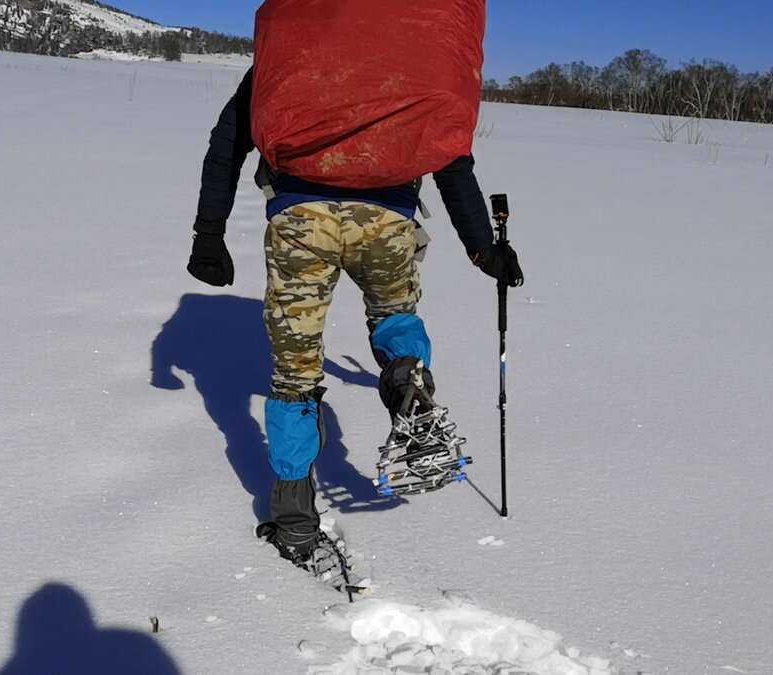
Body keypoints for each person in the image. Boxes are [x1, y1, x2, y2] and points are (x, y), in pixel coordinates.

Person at [186, 67, 524, 563]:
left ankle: (296, 523)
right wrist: (480, 248)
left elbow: (229, 140)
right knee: (393, 313)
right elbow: (450, 155)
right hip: (387, 218)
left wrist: (208, 233)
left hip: (301, 216)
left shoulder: (293, 48)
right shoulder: (408, 57)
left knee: (295, 375)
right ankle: (407, 376)